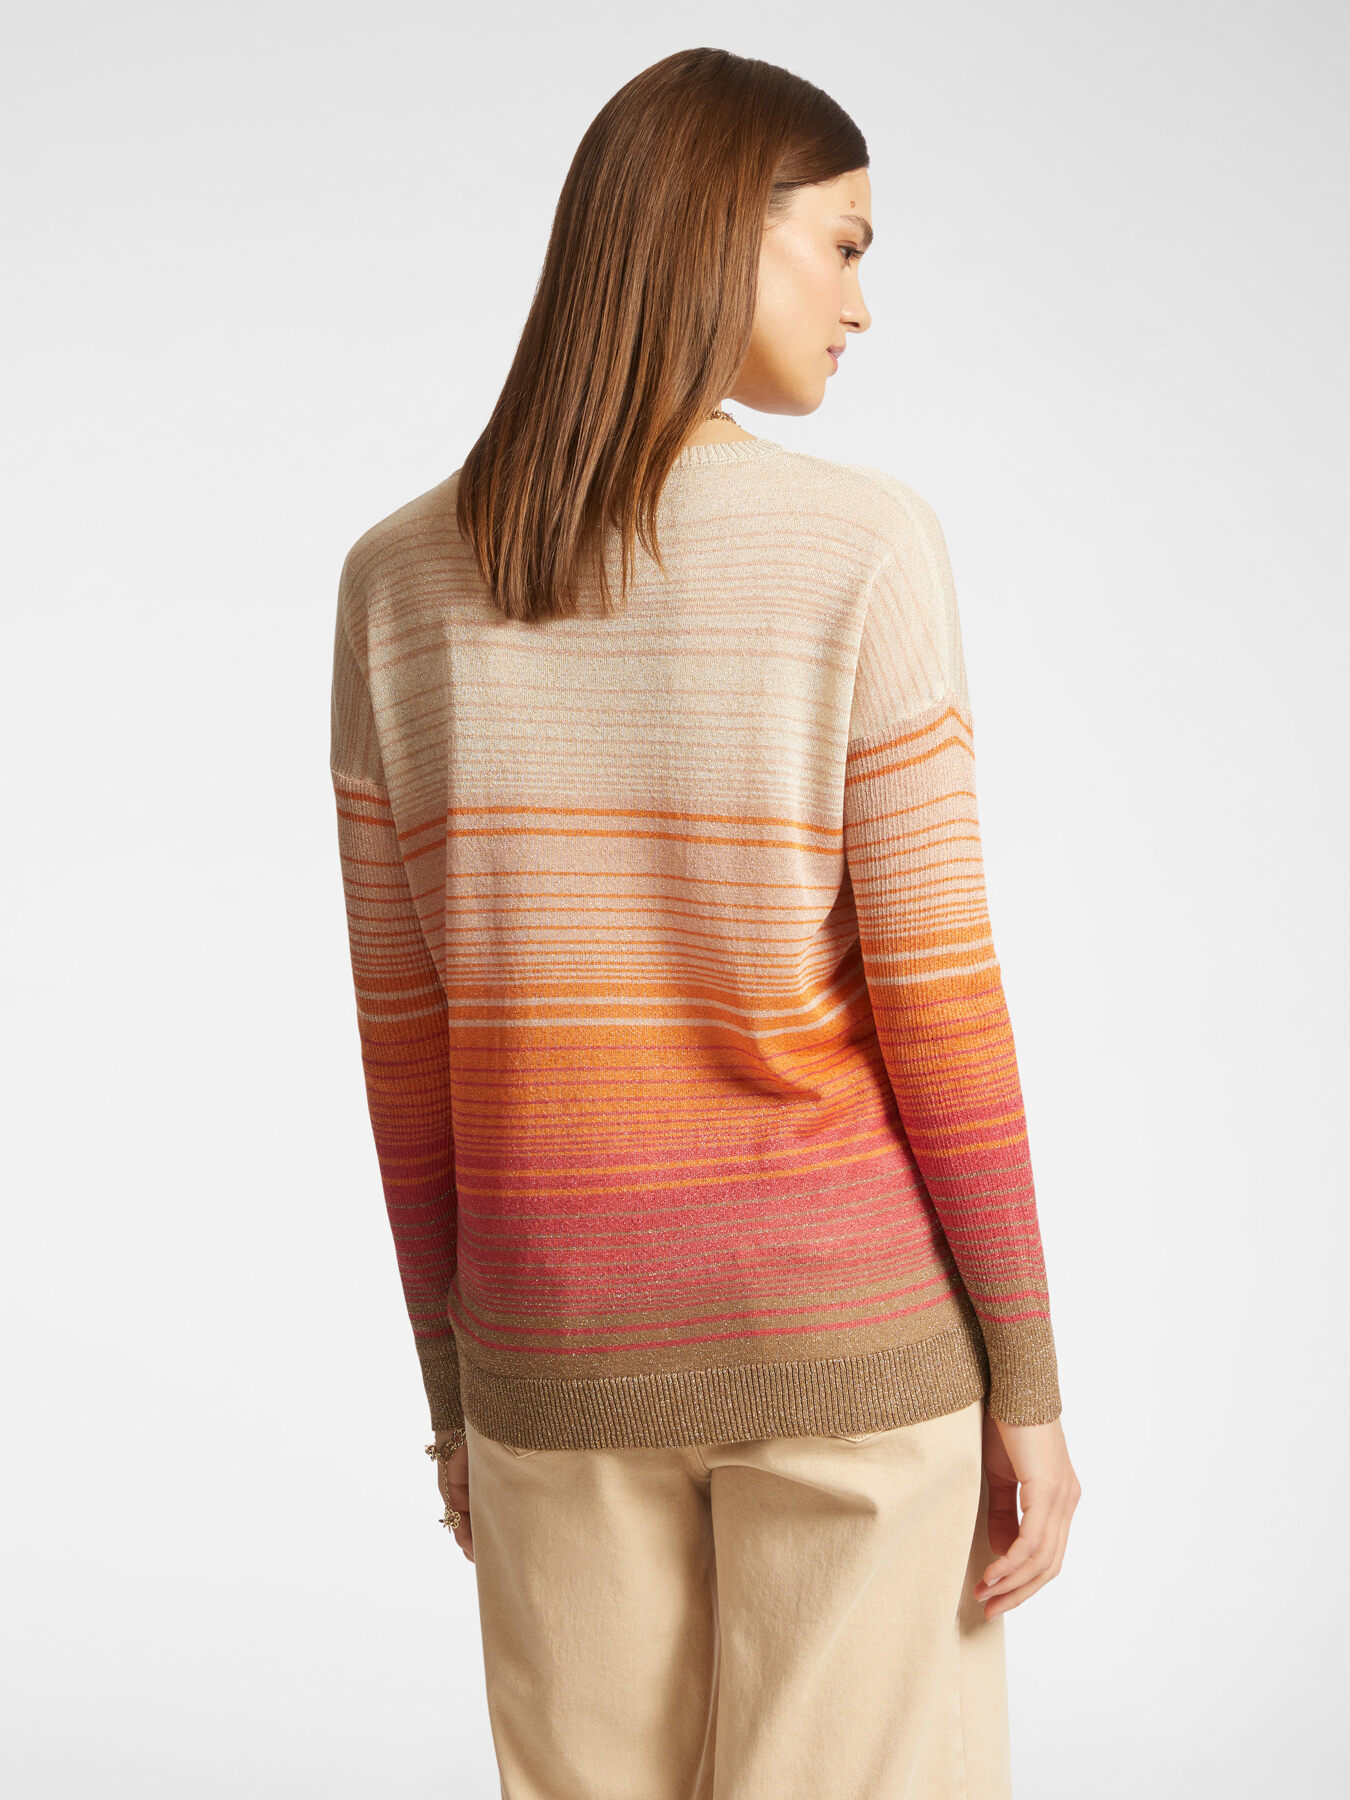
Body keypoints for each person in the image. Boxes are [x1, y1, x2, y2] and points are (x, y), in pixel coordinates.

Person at [328, 45, 1080, 1800]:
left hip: (550, 1355)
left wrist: (454, 1388)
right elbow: (941, 1007)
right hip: (847, 1348)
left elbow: (407, 1047)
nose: (862, 304)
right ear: (722, 229)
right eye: (844, 245)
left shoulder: (396, 580)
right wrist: (1028, 1392)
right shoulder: (861, 547)